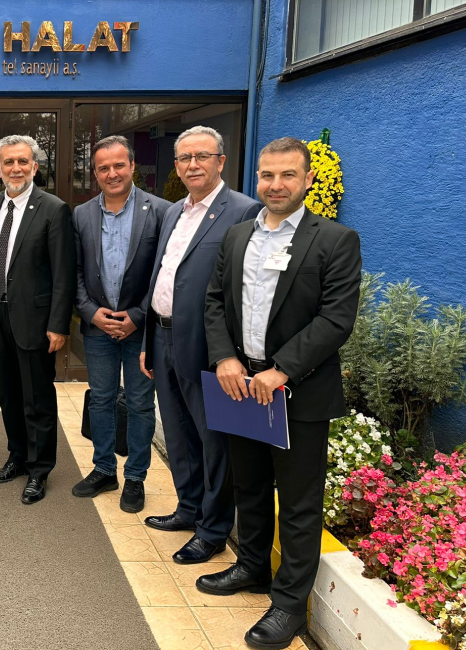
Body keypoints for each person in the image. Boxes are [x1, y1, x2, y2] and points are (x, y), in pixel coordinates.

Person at [200, 137, 361, 649]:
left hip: (298, 393)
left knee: (297, 502)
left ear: (308, 179)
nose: (275, 185)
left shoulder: (335, 240)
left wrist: (283, 369)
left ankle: (289, 605)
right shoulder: (237, 235)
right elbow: (214, 301)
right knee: (247, 485)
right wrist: (226, 357)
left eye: (287, 175)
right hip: (240, 386)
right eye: (267, 175)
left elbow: (336, 319)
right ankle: (250, 566)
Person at [139, 126, 262, 564]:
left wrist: (229, 353)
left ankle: (212, 530)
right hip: (165, 336)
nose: (193, 165)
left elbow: (246, 292)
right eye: (184, 158)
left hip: (209, 349)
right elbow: (163, 277)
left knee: (214, 443)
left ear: (221, 161)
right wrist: (150, 341)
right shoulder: (173, 212)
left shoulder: (245, 211)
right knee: (178, 434)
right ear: (176, 165)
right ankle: (187, 509)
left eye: (202, 157)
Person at [72, 135, 171, 512]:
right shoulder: (81, 214)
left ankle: (135, 478)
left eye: (118, 165)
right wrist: (89, 311)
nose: (111, 173)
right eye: (103, 168)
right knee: (100, 399)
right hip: (97, 328)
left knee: (142, 404)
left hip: (140, 329)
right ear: (94, 173)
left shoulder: (160, 211)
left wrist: (138, 315)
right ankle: (103, 469)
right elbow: (76, 271)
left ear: (131, 166)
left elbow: (165, 273)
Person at [0, 135, 76, 504]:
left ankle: (39, 470)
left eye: (23, 162)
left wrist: (58, 324)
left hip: (35, 319)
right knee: (8, 393)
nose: (16, 168)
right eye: (9, 162)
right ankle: (17, 456)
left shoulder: (53, 209)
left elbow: (63, 274)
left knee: (37, 398)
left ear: (35, 166)